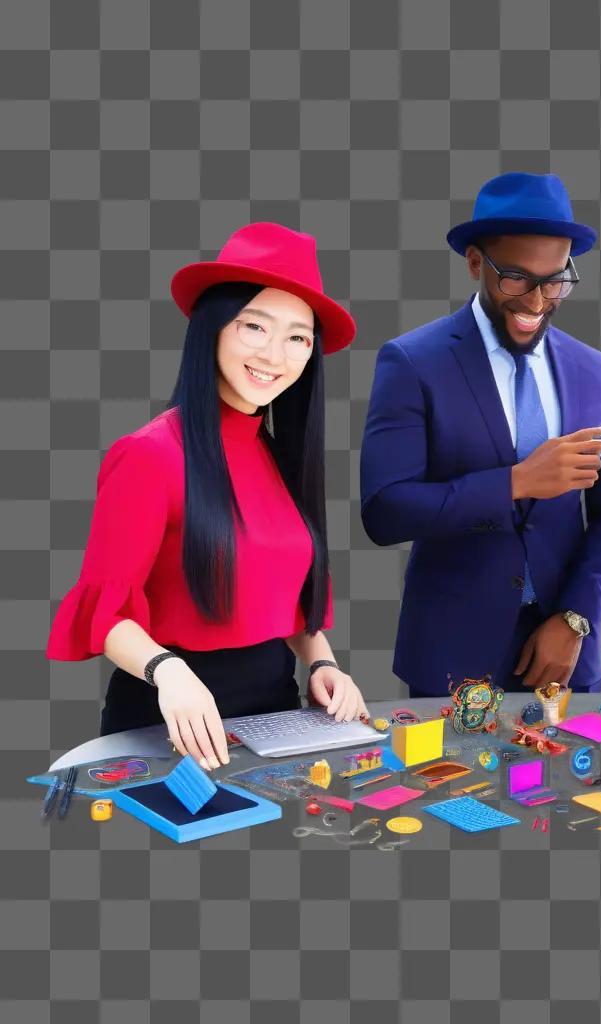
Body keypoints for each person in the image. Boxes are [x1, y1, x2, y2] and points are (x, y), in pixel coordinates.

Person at [46, 223, 369, 766]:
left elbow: (292, 601)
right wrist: (168, 671)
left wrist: (323, 666)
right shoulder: (149, 454)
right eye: (255, 326)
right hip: (166, 716)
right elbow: (107, 614)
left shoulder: (283, 457)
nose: (276, 355)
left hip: (276, 717)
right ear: (213, 327)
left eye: (298, 337)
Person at [361, 172, 601, 698]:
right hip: (451, 656)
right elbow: (384, 511)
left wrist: (575, 617)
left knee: (570, 781)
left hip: (565, 659)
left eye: (555, 279)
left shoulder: (592, 369)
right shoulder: (412, 362)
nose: (537, 300)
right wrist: (514, 482)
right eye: (516, 277)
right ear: (474, 263)